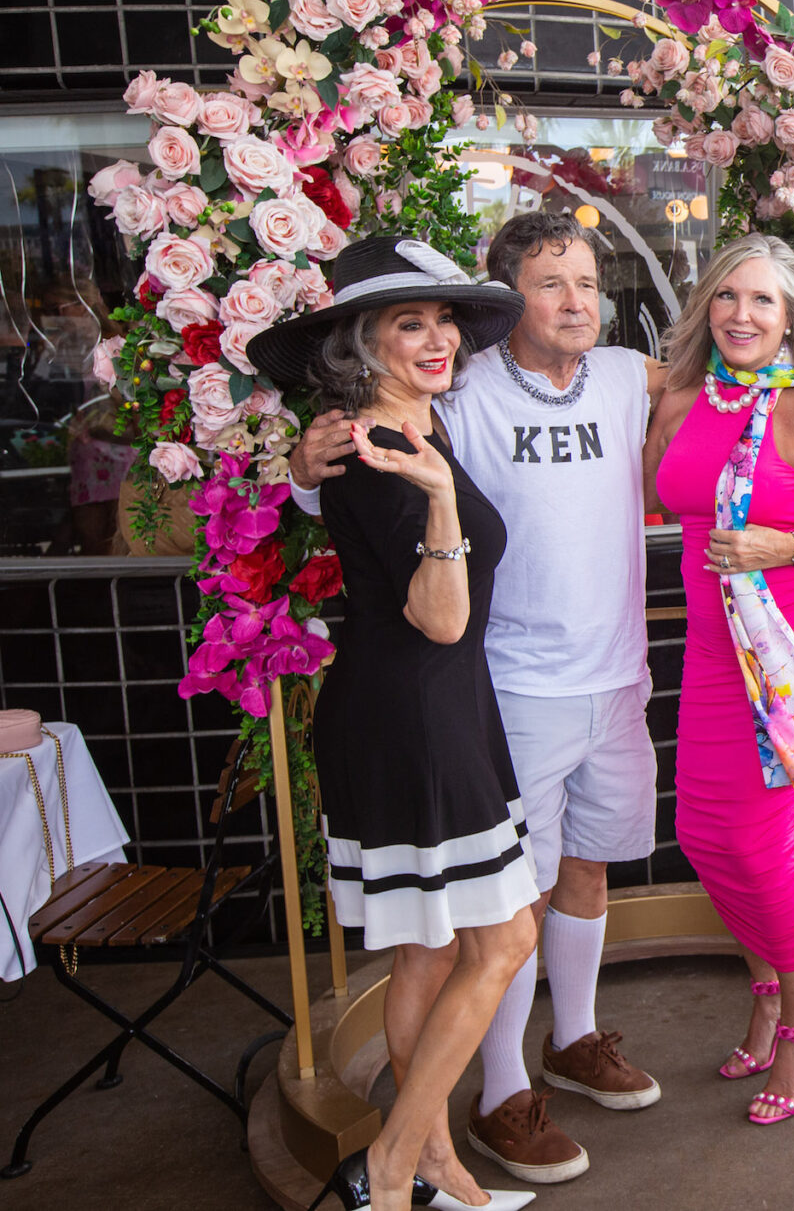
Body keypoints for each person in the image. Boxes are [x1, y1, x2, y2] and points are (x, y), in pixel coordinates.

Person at [290, 212, 663, 1185]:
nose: (576, 301)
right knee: (503, 921)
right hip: (489, 690)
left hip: (602, 678)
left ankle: (555, 1053)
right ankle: (493, 1103)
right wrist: (296, 473)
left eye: (588, 281)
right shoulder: (456, 395)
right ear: (509, 299)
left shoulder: (625, 377)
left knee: (569, 881)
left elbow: (733, 393)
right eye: (551, 282)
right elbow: (355, 475)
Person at [253, 237, 538, 1211]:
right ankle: (389, 1162)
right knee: (502, 942)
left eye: (444, 318)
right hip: (414, 717)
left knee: (427, 950)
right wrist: (445, 499)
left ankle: (432, 1162)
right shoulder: (382, 447)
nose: (439, 337)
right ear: (361, 346)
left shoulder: (408, 427)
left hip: (432, 708)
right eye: (409, 323)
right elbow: (442, 616)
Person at [645, 233, 794, 1125]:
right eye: (728, 297)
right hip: (716, 652)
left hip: (792, 654)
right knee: (703, 836)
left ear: (791, 321)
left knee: (760, 843)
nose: (742, 315)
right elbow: (652, 490)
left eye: (763, 302)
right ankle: (765, 983)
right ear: (706, 307)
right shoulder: (678, 399)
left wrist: (779, 544)